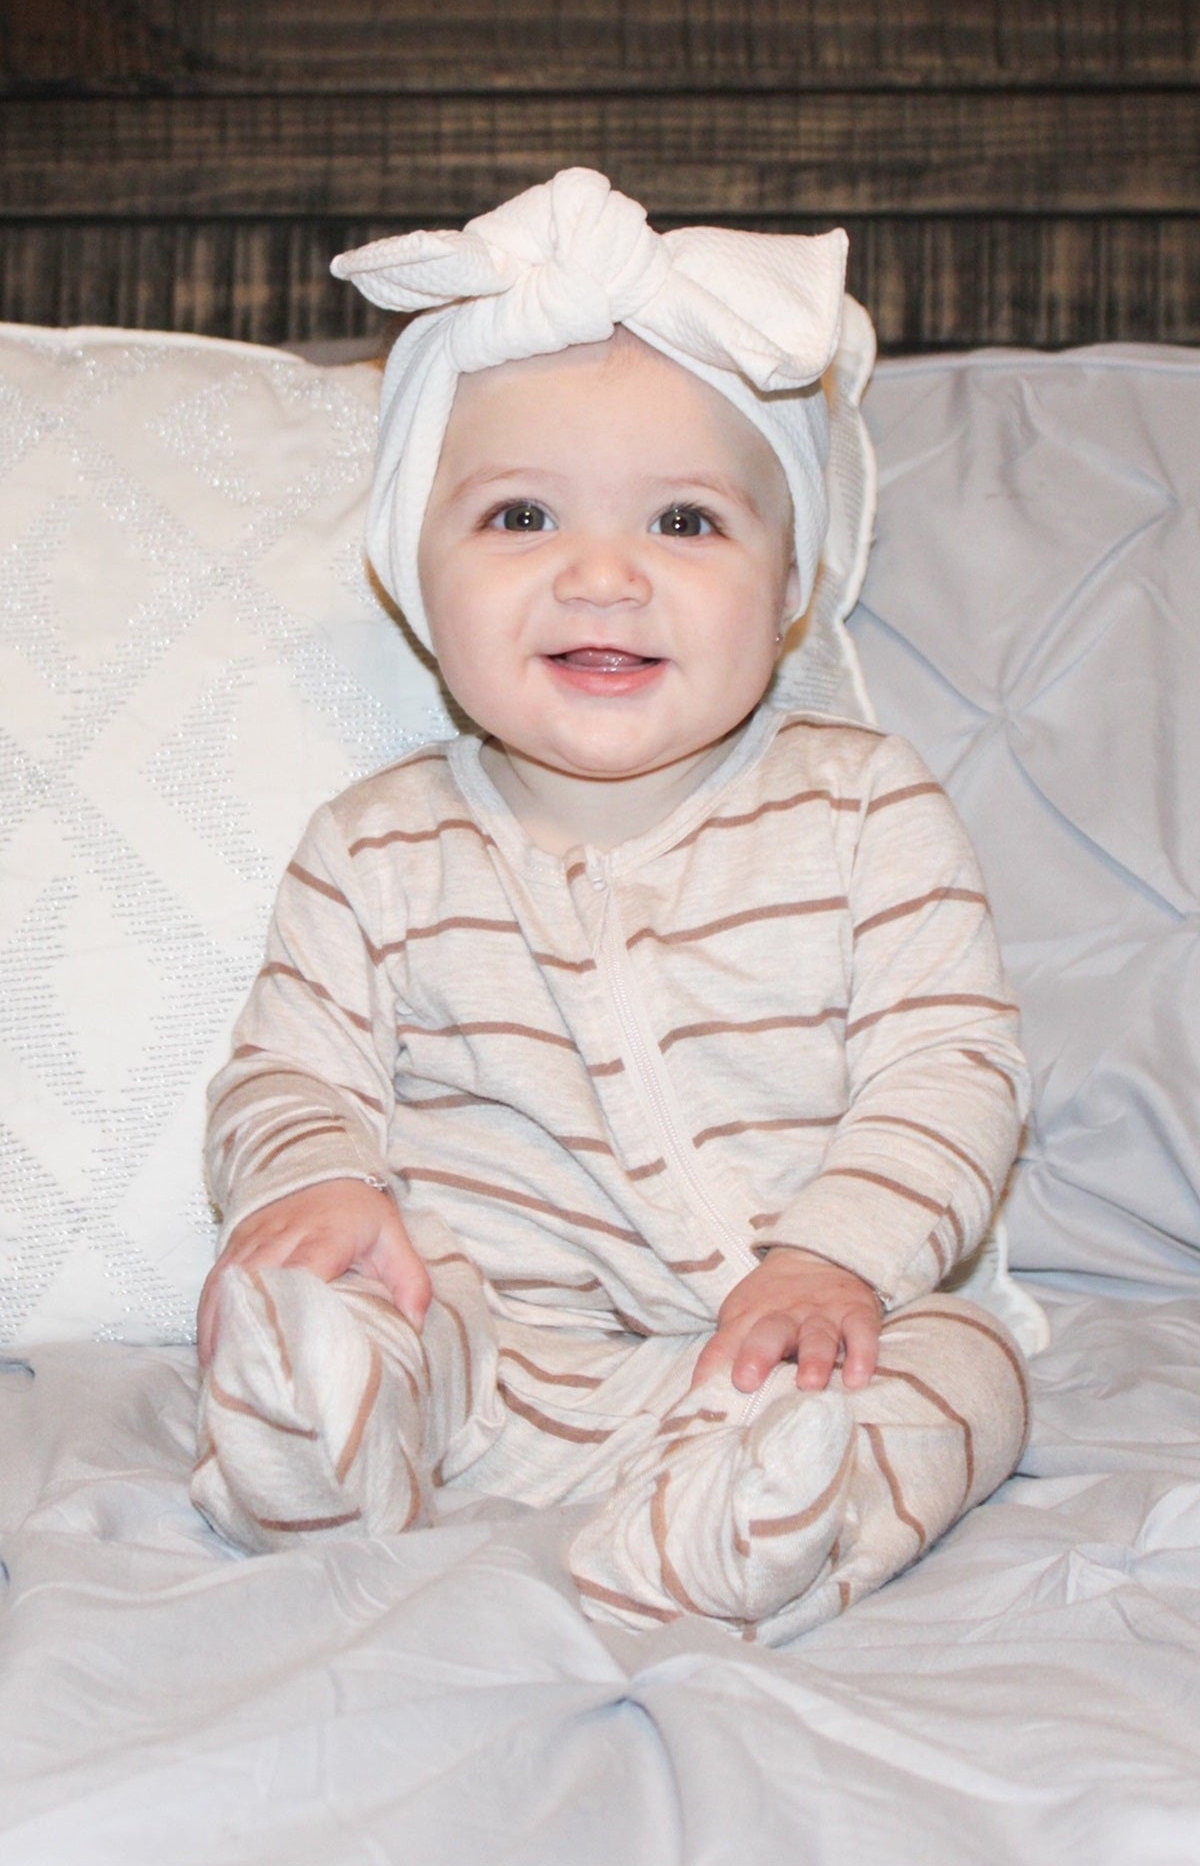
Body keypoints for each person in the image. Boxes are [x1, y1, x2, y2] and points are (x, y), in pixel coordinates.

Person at [192, 169, 1031, 1645]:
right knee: (366, 1310)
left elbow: (951, 1070)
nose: (602, 575)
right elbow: (289, 1072)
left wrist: (833, 1256)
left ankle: (735, 1525)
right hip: (489, 1347)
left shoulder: (864, 808)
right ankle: (321, 1433)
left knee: (972, 1367)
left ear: (788, 583)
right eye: (520, 516)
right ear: (414, 573)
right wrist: (314, 1187)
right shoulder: (375, 846)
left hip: (791, 1354)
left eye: (686, 522)